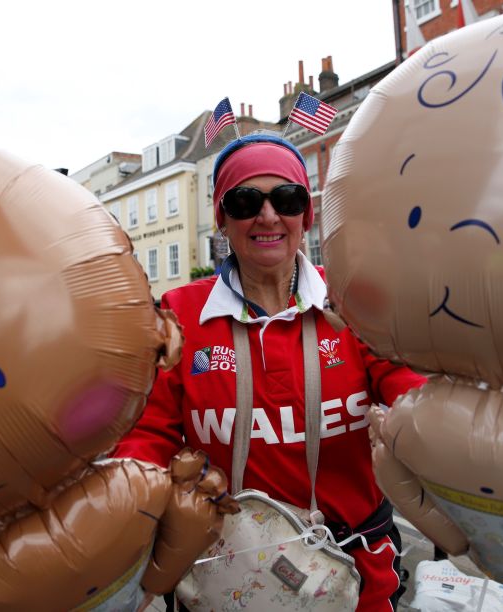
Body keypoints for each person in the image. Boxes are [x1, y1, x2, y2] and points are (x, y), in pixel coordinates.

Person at [112, 133, 427, 612]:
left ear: (307, 212)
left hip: (356, 575)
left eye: (286, 198)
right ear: (221, 218)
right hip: (226, 583)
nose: (267, 215)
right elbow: (147, 442)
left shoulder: (354, 302)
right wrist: (116, 540)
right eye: (244, 201)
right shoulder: (182, 314)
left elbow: (421, 405)